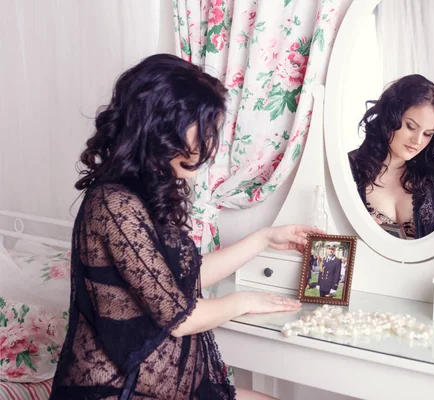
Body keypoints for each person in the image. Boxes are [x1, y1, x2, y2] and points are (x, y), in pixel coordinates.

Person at [49, 54, 320, 400]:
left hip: (163, 388)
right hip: (116, 391)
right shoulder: (114, 204)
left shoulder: (144, 193)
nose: (209, 142)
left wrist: (264, 238)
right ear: (161, 125)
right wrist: (244, 300)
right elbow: (181, 319)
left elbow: (183, 277)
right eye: (202, 128)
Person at [348, 74, 434, 239]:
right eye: (410, 126)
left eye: (428, 134)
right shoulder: (348, 170)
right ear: (391, 116)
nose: (418, 141)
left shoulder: (433, 179)